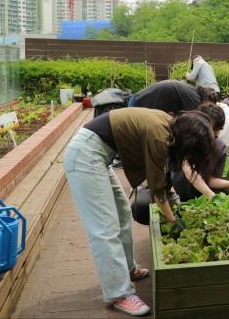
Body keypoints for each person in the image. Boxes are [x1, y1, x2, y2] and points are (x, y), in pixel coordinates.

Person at [63, 109, 215, 316]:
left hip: (96, 153)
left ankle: (126, 269)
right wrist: (174, 222)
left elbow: (161, 178)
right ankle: (119, 293)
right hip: (86, 155)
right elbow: (157, 192)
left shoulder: (168, 126)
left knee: (122, 212)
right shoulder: (158, 135)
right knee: (105, 228)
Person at [130, 104, 229, 225]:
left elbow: (210, 180)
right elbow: (167, 181)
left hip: (202, 197)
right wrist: (173, 219)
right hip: (181, 195)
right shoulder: (183, 140)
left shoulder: (219, 147)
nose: (206, 134)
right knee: (141, 206)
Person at [127, 80, 205, 113]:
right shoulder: (194, 99)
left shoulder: (192, 90)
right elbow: (194, 120)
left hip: (138, 98)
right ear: (205, 100)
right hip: (138, 104)